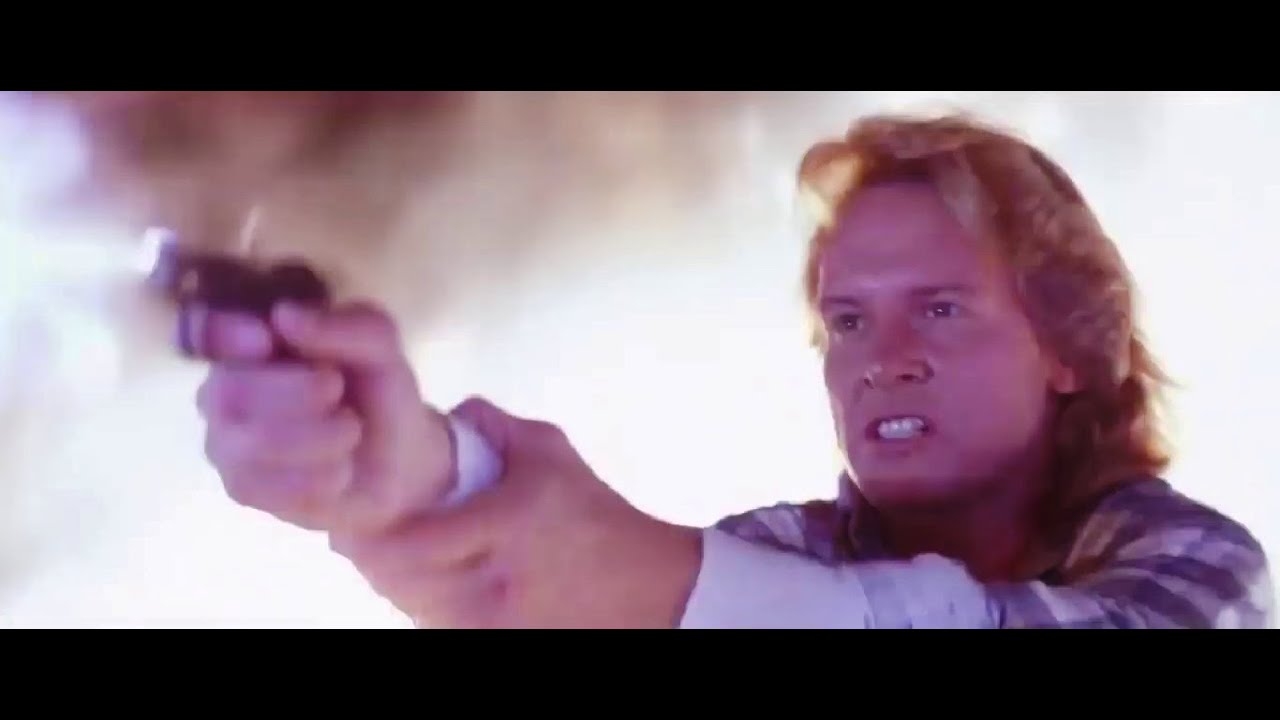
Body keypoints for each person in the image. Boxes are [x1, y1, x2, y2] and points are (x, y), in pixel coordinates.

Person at [191, 111, 1274, 628]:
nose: (883, 361)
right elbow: (550, 596)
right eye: (846, 321)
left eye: (940, 309)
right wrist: (413, 477)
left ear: (1070, 348)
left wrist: (598, 560)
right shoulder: (777, 553)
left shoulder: (1200, 571)